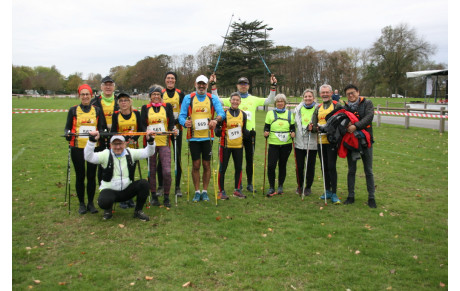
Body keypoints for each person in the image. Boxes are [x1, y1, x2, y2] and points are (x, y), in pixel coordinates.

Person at [209, 74, 277, 193]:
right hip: (234, 134)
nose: (243, 86)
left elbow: (270, 100)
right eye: (241, 84)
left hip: (249, 134)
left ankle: (249, 184)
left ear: (248, 86)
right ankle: (238, 184)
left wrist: (273, 86)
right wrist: (213, 85)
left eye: (245, 84)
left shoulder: (254, 99)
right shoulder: (233, 98)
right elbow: (217, 99)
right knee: (236, 160)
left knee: (249, 160)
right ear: (237, 86)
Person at [84, 131, 156, 221]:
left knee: (144, 184)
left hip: (126, 190)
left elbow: (148, 152)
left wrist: (151, 141)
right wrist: (91, 141)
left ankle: (138, 211)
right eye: (115, 144)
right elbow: (88, 157)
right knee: (104, 202)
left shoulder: (130, 152)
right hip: (110, 191)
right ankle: (108, 209)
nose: (118, 147)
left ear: (125, 144)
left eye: (120, 144)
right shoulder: (105, 154)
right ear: (110, 145)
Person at [178, 75, 225, 202]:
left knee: (206, 164)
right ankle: (197, 191)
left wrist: (215, 120)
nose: (201, 86)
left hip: (207, 137)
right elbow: (181, 116)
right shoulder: (189, 98)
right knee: (196, 164)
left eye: (203, 84)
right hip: (193, 138)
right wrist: (184, 123)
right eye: (199, 83)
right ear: (195, 84)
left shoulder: (212, 98)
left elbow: (222, 113)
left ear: (207, 85)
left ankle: (205, 191)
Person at [64, 84, 107, 214]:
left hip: (93, 148)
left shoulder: (97, 110)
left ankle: (90, 203)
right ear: (79, 96)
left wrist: (100, 133)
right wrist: (68, 134)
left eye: (87, 94)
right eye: (82, 94)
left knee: (91, 176)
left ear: (91, 95)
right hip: (77, 147)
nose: (85, 96)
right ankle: (82, 203)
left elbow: (102, 128)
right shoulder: (73, 110)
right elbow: (67, 128)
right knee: (80, 176)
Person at [141, 86, 178, 208]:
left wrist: (174, 129)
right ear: (150, 96)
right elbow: (142, 125)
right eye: (153, 94)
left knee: (166, 171)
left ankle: (166, 196)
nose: (156, 96)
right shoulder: (145, 108)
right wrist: (146, 132)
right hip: (151, 143)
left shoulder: (166, 107)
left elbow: (171, 122)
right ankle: (153, 195)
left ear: (161, 96)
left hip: (164, 142)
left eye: (158, 94)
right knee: (151, 171)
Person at [342, 84, 377, 208]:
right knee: (351, 170)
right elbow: (342, 121)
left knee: (368, 170)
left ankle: (371, 197)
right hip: (352, 143)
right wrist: (346, 125)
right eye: (348, 94)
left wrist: (355, 126)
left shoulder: (367, 103)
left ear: (358, 92)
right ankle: (351, 196)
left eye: (353, 93)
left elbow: (369, 117)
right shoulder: (344, 107)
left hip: (366, 142)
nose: (351, 95)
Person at [110, 92, 144, 209]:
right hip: (120, 149)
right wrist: (124, 139)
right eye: (121, 101)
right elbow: (114, 132)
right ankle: (121, 198)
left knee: (130, 174)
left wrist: (133, 138)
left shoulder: (136, 114)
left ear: (130, 102)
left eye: (125, 100)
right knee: (121, 173)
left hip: (132, 148)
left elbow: (140, 129)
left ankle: (129, 197)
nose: (123, 103)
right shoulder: (116, 115)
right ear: (118, 103)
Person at [310, 84, 343, 204]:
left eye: (326, 92)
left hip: (332, 142)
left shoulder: (336, 105)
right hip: (320, 142)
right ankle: (327, 190)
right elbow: (313, 125)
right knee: (323, 167)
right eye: (322, 92)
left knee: (331, 166)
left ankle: (334, 193)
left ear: (330, 93)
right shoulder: (318, 108)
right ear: (320, 94)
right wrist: (313, 128)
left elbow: (341, 122)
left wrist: (329, 130)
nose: (324, 94)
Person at [156, 72, 186, 197]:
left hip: (176, 130)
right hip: (164, 130)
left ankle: (177, 187)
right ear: (165, 80)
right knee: (161, 159)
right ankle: (161, 186)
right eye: (168, 78)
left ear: (175, 81)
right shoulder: (160, 93)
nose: (170, 80)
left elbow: (184, 111)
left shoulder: (180, 93)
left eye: (172, 78)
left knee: (177, 157)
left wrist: (177, 122)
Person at [215, 92, 249, 200]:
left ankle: (237, 190)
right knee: (222, 169)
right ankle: (221, 191)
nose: (235, 102)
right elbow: (217, 128)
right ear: (230, 101)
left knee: (238, 168)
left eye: (237, 100)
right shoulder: (224, 113)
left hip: (238, 146)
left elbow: (243, 130)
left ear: (240, 102)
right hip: (225, 145)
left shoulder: (243, 114)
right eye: (233, 99)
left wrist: (249, 134)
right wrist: (218, 131)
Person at [263, 94, 296, 197]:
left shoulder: (290, 114)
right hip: (273, 144)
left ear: (285, 103)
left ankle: (280, 186)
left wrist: (293, 133)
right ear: (275, 103)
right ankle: (271, 187)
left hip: (286, 145)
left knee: (282, 165)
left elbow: (292, 127)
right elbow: (266, 127)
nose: (280, 103)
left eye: (282, 101)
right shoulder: (270, 114)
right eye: (278, 101)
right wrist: (265, 132)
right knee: (271, 166)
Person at [90, 76, 119, 184]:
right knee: (102, 164)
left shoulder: (118, 101)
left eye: (110, 85)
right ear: (101, 87)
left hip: (115, 136)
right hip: (100, 137)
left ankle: (115, 187)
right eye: (105, 85)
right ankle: (102, 189)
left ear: (113, 87)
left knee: (116, 163)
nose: (108, 87)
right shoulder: (94, 102)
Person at [294, 89, 318, 197]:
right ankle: (299, 185)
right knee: (299, 166)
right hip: (299, 141)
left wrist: (313, 128)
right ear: (303, 98)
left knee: (310, 166)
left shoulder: (318, 108)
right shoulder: (298, 109)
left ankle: (308, 186)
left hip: (312, 141)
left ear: (313, 98)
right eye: (306, 96)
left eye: (310, 96)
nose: (308, 98)